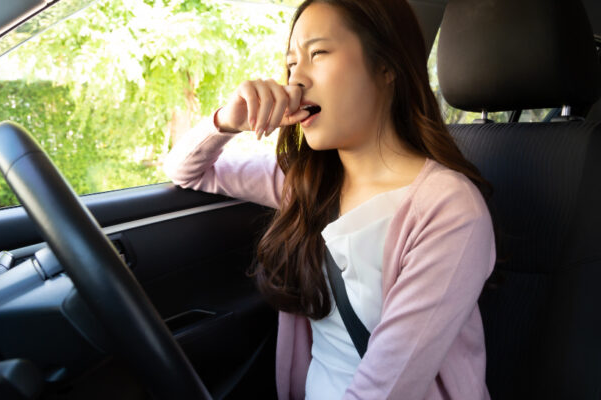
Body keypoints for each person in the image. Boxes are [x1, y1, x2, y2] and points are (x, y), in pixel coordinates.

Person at [163, 0, 499, 398]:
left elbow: (386, 389)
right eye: (290, 64)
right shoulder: (304, 181)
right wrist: (227, 120)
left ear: (386, 66)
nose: (295, 82)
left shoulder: (449, 210)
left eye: (318, 53)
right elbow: (187, 170)